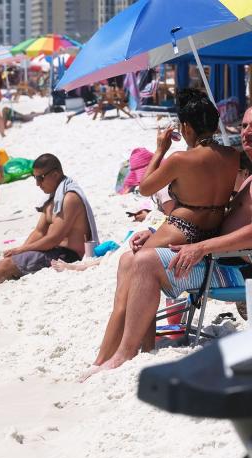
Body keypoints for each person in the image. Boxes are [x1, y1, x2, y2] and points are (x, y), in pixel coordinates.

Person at [86, 106, 252, 377]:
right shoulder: (243, 173)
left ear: (186, 127)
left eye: (251, 126)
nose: (246, 132)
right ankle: (126, 351)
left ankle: (124, 353)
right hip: (218, 261)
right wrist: (156, 233)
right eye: (244, 126)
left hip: (235, 272)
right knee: (130, 258)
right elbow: (215, 217)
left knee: (146, 260)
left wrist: (201, 247)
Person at [0, 153, 98, 294]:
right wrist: (21, 250)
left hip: (68, 256)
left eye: (40, 178)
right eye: (35, 178)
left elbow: (54, 238)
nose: (37, 184)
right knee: (2, 264)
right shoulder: (53, 199)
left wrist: (21, 251)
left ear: (55, 174)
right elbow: (39, 232)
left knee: (5, 266)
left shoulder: (69, 198)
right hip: (54, 250)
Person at [136, 89, 240, 248]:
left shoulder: (180, 159)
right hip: (214, 231)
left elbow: (144, 189)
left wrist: (160, 150)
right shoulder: (233, 155)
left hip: (182, 229)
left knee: (129, 260)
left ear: (186, 127)